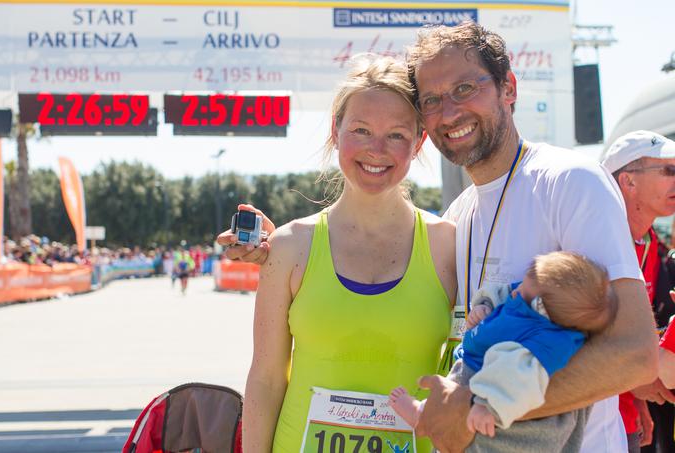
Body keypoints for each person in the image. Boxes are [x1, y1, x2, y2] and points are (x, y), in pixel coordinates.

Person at [219, 22, 658, 453]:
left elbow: (634, 351)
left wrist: (477, 404)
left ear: (509, 87)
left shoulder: (570, 181)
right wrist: (286, 253)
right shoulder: (458, 220)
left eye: (466, 89)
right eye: (432, 99)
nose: (450, 111)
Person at [241, 55, 456, 453]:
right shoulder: (290, 247)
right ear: (336, 131)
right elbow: (267, 379)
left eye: (395, 134)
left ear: (419, 141)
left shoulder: (449, 245)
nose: (377, 150)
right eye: (361, 129)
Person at [391, 251, 618, 445]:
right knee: (449, 402)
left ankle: (423, 415)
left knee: (462, 422)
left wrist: (488, 405)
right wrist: (484, 305)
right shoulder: (528, 294)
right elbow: (500, 292)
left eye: (524, 294)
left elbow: (520, 375)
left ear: (542, 309)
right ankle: (423, 413)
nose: (515, 294)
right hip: (469, 366)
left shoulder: (551, 340)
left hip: (482, 377)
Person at [601, 130, 675, 453]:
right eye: (668, 170)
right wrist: (635, 380)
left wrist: (635, 399)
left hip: (625, 415)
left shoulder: (650, 245)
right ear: (628, 182)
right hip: (593, 422)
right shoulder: (596, 242)